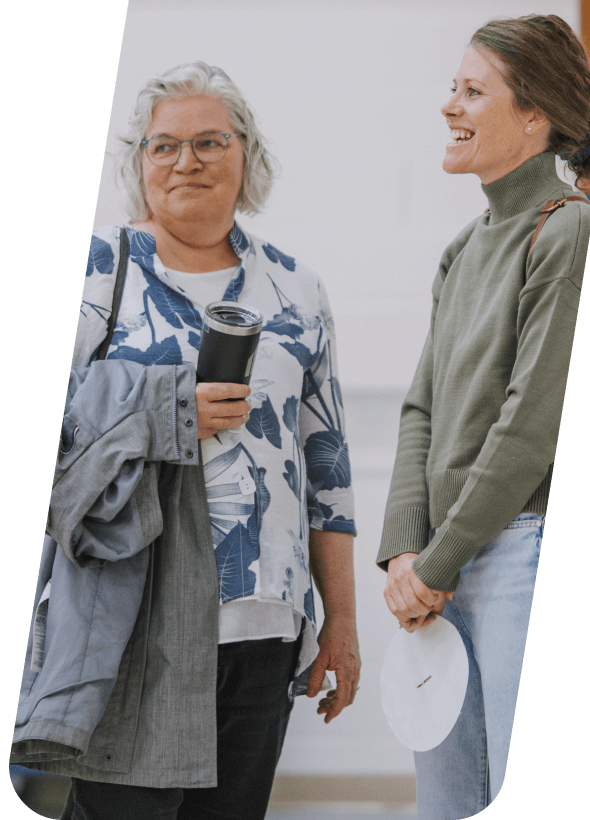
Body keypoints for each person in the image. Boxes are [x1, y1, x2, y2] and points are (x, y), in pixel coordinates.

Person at [11, 62, 361, 820]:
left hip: (265, 625)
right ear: (138, 163)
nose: (186, 161)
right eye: (163, 146)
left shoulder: (295, 289)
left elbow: (324, 468)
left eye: (209, 141)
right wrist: (169, 409)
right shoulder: (100, 276)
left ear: (248, 155)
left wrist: (342, 622)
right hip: (131, 619)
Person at [376, 14, 590, 817]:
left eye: (471, 91)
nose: (449, 107)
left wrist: (436, 564)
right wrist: (405, 552)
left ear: (534, 116)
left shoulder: (568, 231)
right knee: (445, 803)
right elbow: (419, 409)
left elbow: (529, 428)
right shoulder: (463, 248)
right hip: (440, 567)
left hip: (514, 559)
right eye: (451, 89)